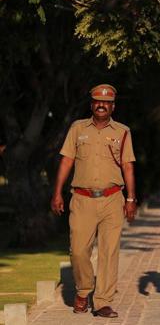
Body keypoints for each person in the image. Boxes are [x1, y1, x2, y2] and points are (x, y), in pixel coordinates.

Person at [50, 84, 137, 318]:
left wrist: (130, 198)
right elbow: (66, 161)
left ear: (113, 107)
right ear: (91, 105)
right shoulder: (78, 129)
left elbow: (128, 165)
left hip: (112, 199)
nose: (102, 105)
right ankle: (83, 291)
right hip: (82, 199)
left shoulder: (122, 131)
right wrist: (57, 192)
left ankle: (103, 302)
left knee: (109, 252)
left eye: (106, 102)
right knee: (78, 251)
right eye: (98, 101)